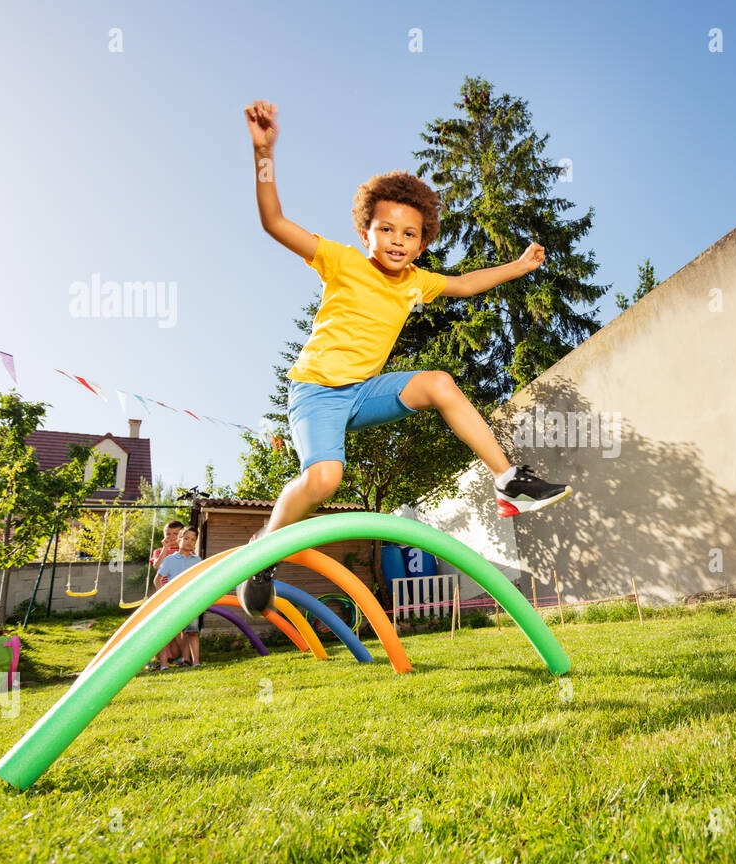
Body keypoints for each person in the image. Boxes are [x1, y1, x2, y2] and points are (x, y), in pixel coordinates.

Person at [238, 99, 573, 615]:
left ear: (421, 244)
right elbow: (274, 221)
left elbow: (464, 284)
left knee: (439, 382)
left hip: (365, 391)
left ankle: (509, 481)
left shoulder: (418, 281)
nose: (397, 240)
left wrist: (519, 267)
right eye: (386, 229)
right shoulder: (339, 260)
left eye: (409, 234)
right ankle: (263, 552)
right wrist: (264, 154)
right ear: (364, 232)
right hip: (317, 392)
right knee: (325, 479)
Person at [153, 527, 204, 667]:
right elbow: (157, 580)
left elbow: (200, 581)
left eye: (193, 540)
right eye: (186, 538)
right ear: (179, 539)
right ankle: (163, 665)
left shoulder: (197, 560)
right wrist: (164, 597)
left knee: (192, 632)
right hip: (172, 602)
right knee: (166, 633)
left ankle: (196, 663)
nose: (189, 542)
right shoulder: (170, 560)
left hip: (191, 602)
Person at [146, 520, 185, 669]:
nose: (172, 537)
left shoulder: (187, 551)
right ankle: (159, 659)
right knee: (162, 627)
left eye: (176, 534)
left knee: (178, 629)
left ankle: (183, 657)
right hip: (163, 596)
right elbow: (156, 566)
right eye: (168, 534)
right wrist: (165, 548)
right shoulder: (159, 551)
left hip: (179, 595)